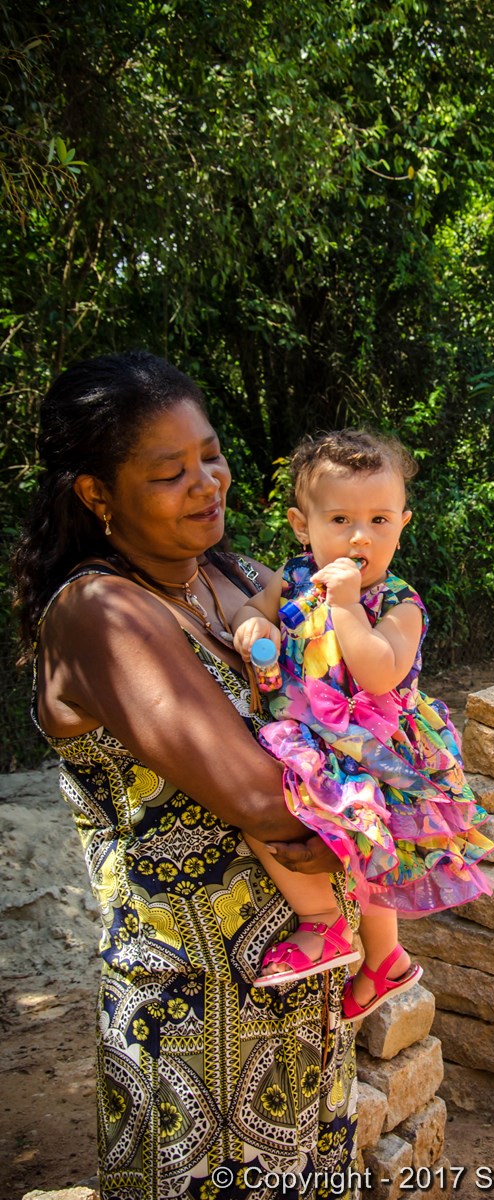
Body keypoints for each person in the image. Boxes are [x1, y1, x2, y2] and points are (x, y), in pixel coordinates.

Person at [11, 351, 359, 1200]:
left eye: (211, 454)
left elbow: (360, 704)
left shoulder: (235, 578)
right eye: (170, 473)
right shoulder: (101, 612)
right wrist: (365, 822)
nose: (207, 483)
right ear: (96, 494)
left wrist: (351, 809)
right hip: (194, 1006)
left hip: (303, 976)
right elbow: (263, 798)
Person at [232, 429, 494, 1020]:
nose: (360, 537)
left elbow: (379, 674)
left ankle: (324, 923)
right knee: (271, 809)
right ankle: (386, 960)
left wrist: (347, 606)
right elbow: (255, 608)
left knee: (369, 853)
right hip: (310, 735)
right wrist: (255, 624)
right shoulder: (293, 577)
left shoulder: (400, 603)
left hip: (375, 748)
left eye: (379, 520)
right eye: (340, 519)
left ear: (403, 524)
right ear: (302, 526)